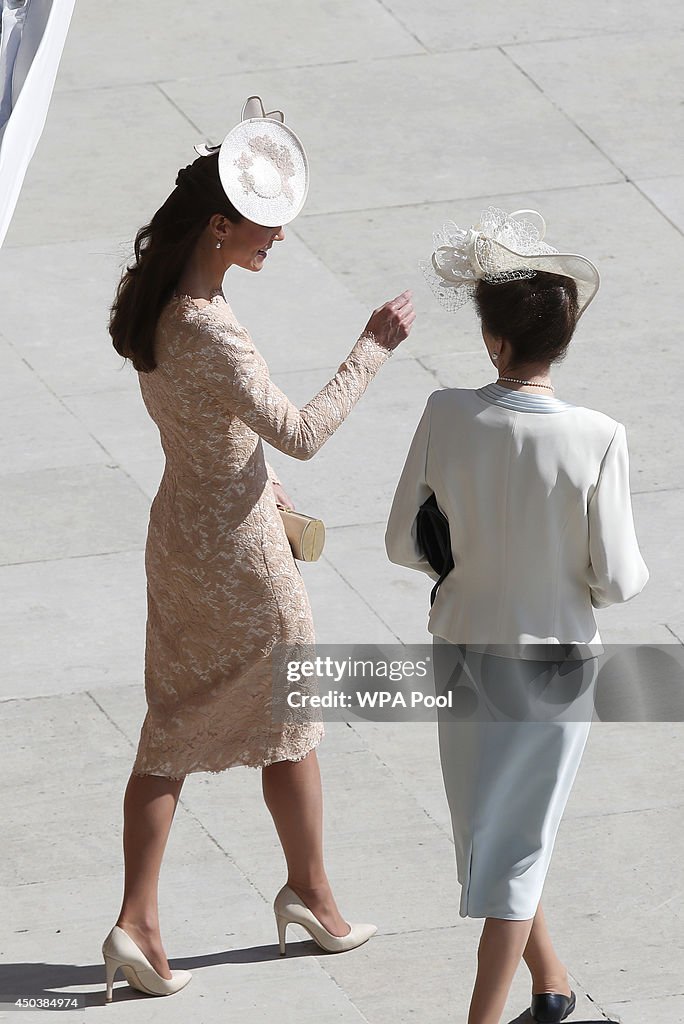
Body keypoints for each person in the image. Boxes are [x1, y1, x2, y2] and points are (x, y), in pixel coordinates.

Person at [100, 96, 415, 1002]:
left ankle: (143, 921)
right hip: (242, 558)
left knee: (172, 724)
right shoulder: (211, 328)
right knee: (292, 715)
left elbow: (207, 427)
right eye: (265, 225)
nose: (277, 238)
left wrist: (251, 471)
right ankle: (308, 893)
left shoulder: (162, 303)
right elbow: (303, 430)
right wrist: (372, 348)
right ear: (218, 224)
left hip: (181, 536)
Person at [384, 207, 648, 1024]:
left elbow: (402, 543)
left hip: (460, 648)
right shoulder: (599, 436)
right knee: (513, 847)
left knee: (490, 838)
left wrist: (467, 567)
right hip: (554, 665)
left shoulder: (443, 413)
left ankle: (543, 987)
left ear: (495, 342)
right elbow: (620, 579)